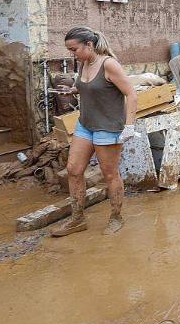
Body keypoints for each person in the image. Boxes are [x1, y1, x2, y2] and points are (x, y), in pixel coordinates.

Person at [53, 27, 138, 237]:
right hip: (86, 124)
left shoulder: (109, 64)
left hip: (107, 128)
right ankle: (77, 219)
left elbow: (131, 93)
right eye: (70, 50)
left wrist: (130, 126)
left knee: (110, 174)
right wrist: (72, 89)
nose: (72, 54)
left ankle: (116, 217)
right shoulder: (84, 62)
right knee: (73, 170)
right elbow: (88, 86)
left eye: (74, 49)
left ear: (89, 45)